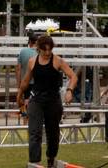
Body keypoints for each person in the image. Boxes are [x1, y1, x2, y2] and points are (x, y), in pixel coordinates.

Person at [16, 34, 79, 168]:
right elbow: (26, 81)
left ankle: (51, 158)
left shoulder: (58, 61)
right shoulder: (32, 61)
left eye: (50, 49)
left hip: (53, 100)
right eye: (44, 50)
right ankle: (34, 162)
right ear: (38, 48)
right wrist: (19, 95)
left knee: (53, 132)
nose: (47, 52)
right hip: (36, 99)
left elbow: (73, 76)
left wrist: (69, 90)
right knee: (34, 132)